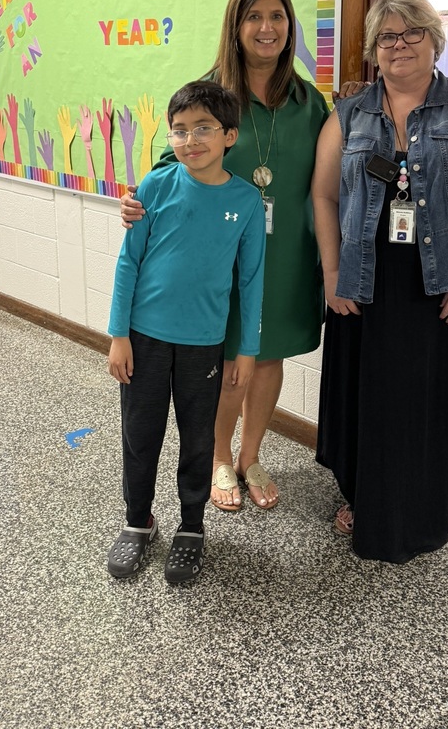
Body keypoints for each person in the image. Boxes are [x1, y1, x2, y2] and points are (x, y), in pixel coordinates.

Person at [311, 0, 448, 563]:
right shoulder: (349, 112)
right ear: (374, 49)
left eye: (411, 33)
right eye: (386, 37)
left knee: (426, 402)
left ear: (434, 39)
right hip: (363, 281)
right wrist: (331, 271)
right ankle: (360, 495)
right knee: (367, 398)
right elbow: (324, 196)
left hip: (438, 285)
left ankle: (428, 509)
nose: (398, 45)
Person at [120, 0, 329, 512]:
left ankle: (250, 455)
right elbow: (174, 162)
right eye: (253, 17)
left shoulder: (309, 102)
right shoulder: (213, 92)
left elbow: (332, 180)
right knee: (227, 361)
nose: (267, 28)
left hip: (286, 254)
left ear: (289, 25)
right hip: (220, 253)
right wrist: (137, 200)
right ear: (236, 27)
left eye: (277, 16)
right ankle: (218, 457)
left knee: (268, 356)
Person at [106, 81, 266, 583]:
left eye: (203, 129)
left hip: (205, 344)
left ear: (229, 136)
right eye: (179, 130)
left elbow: (251, 280)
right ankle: (138, 522)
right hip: (144, 338)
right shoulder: (155, 186)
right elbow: (128, 263)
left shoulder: (245, 200)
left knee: (198, 439)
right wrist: (118, 334)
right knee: (140, 435)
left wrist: (247, 351)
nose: (190, 140)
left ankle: (191, 527)